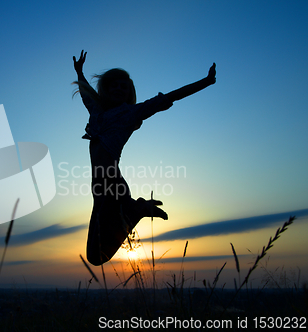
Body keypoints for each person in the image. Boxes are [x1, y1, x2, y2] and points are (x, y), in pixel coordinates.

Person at [73, 50, 216, 265]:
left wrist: (205, 81)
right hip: (98, 188)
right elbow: (85, 92)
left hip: (113, 185)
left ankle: (137, 210)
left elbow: (171, 96)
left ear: (130, 93)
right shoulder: (96, 112)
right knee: (94, 254)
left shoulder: (131, 113)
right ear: (106, 88)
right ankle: (135, 210)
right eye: (115, 85)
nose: (119, 89)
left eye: (125, 87)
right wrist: (79, 71)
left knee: (96, 258)